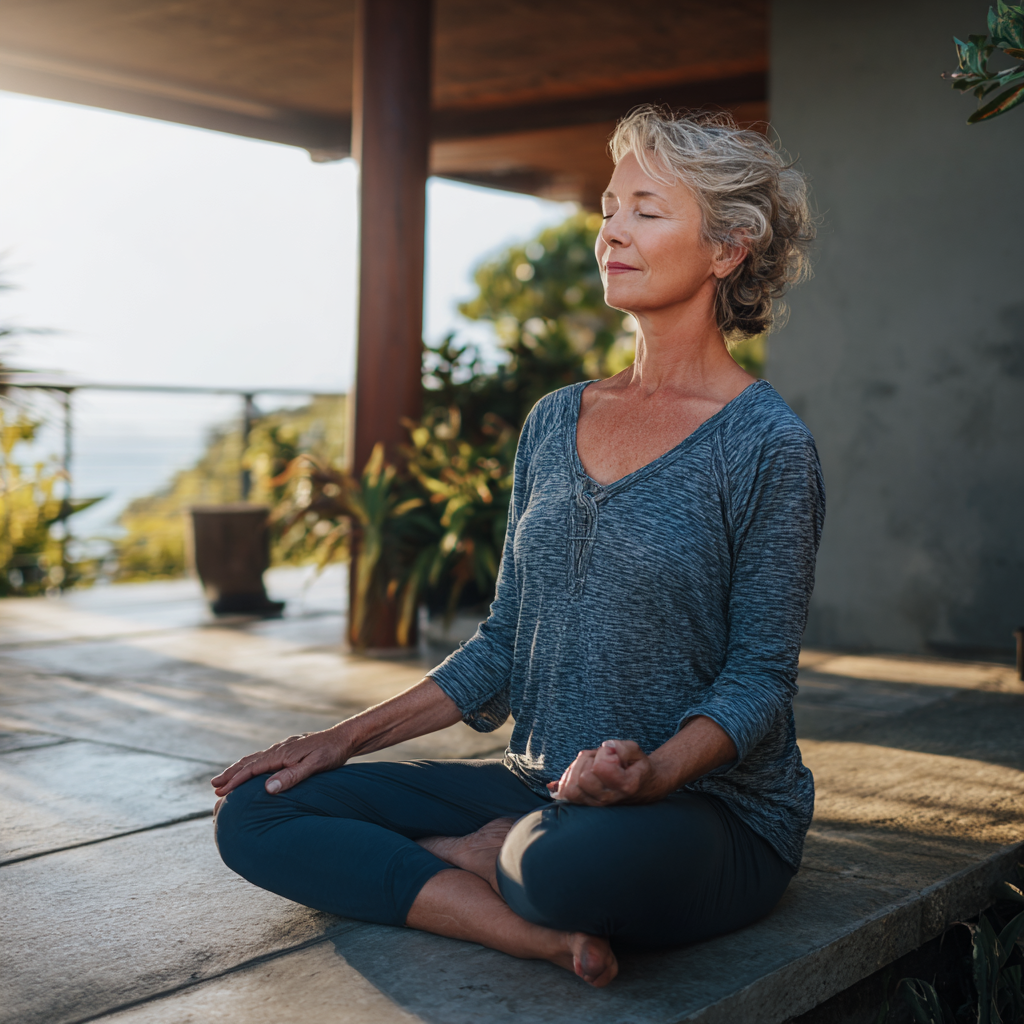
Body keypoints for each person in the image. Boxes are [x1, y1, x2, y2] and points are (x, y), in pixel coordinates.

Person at [212, 105, 822, 989]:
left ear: (728, 248)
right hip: (538, 788)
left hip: (709, 813)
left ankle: (493, 868)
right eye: (610, 206)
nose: (613, 229)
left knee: (568, 866)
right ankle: (519, 924)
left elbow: (759, 679)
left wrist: (648, 776)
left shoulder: (767, 445)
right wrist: (341, 740)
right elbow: (504, 643)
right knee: (259, 811)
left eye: (647, 210)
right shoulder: (554, 421)